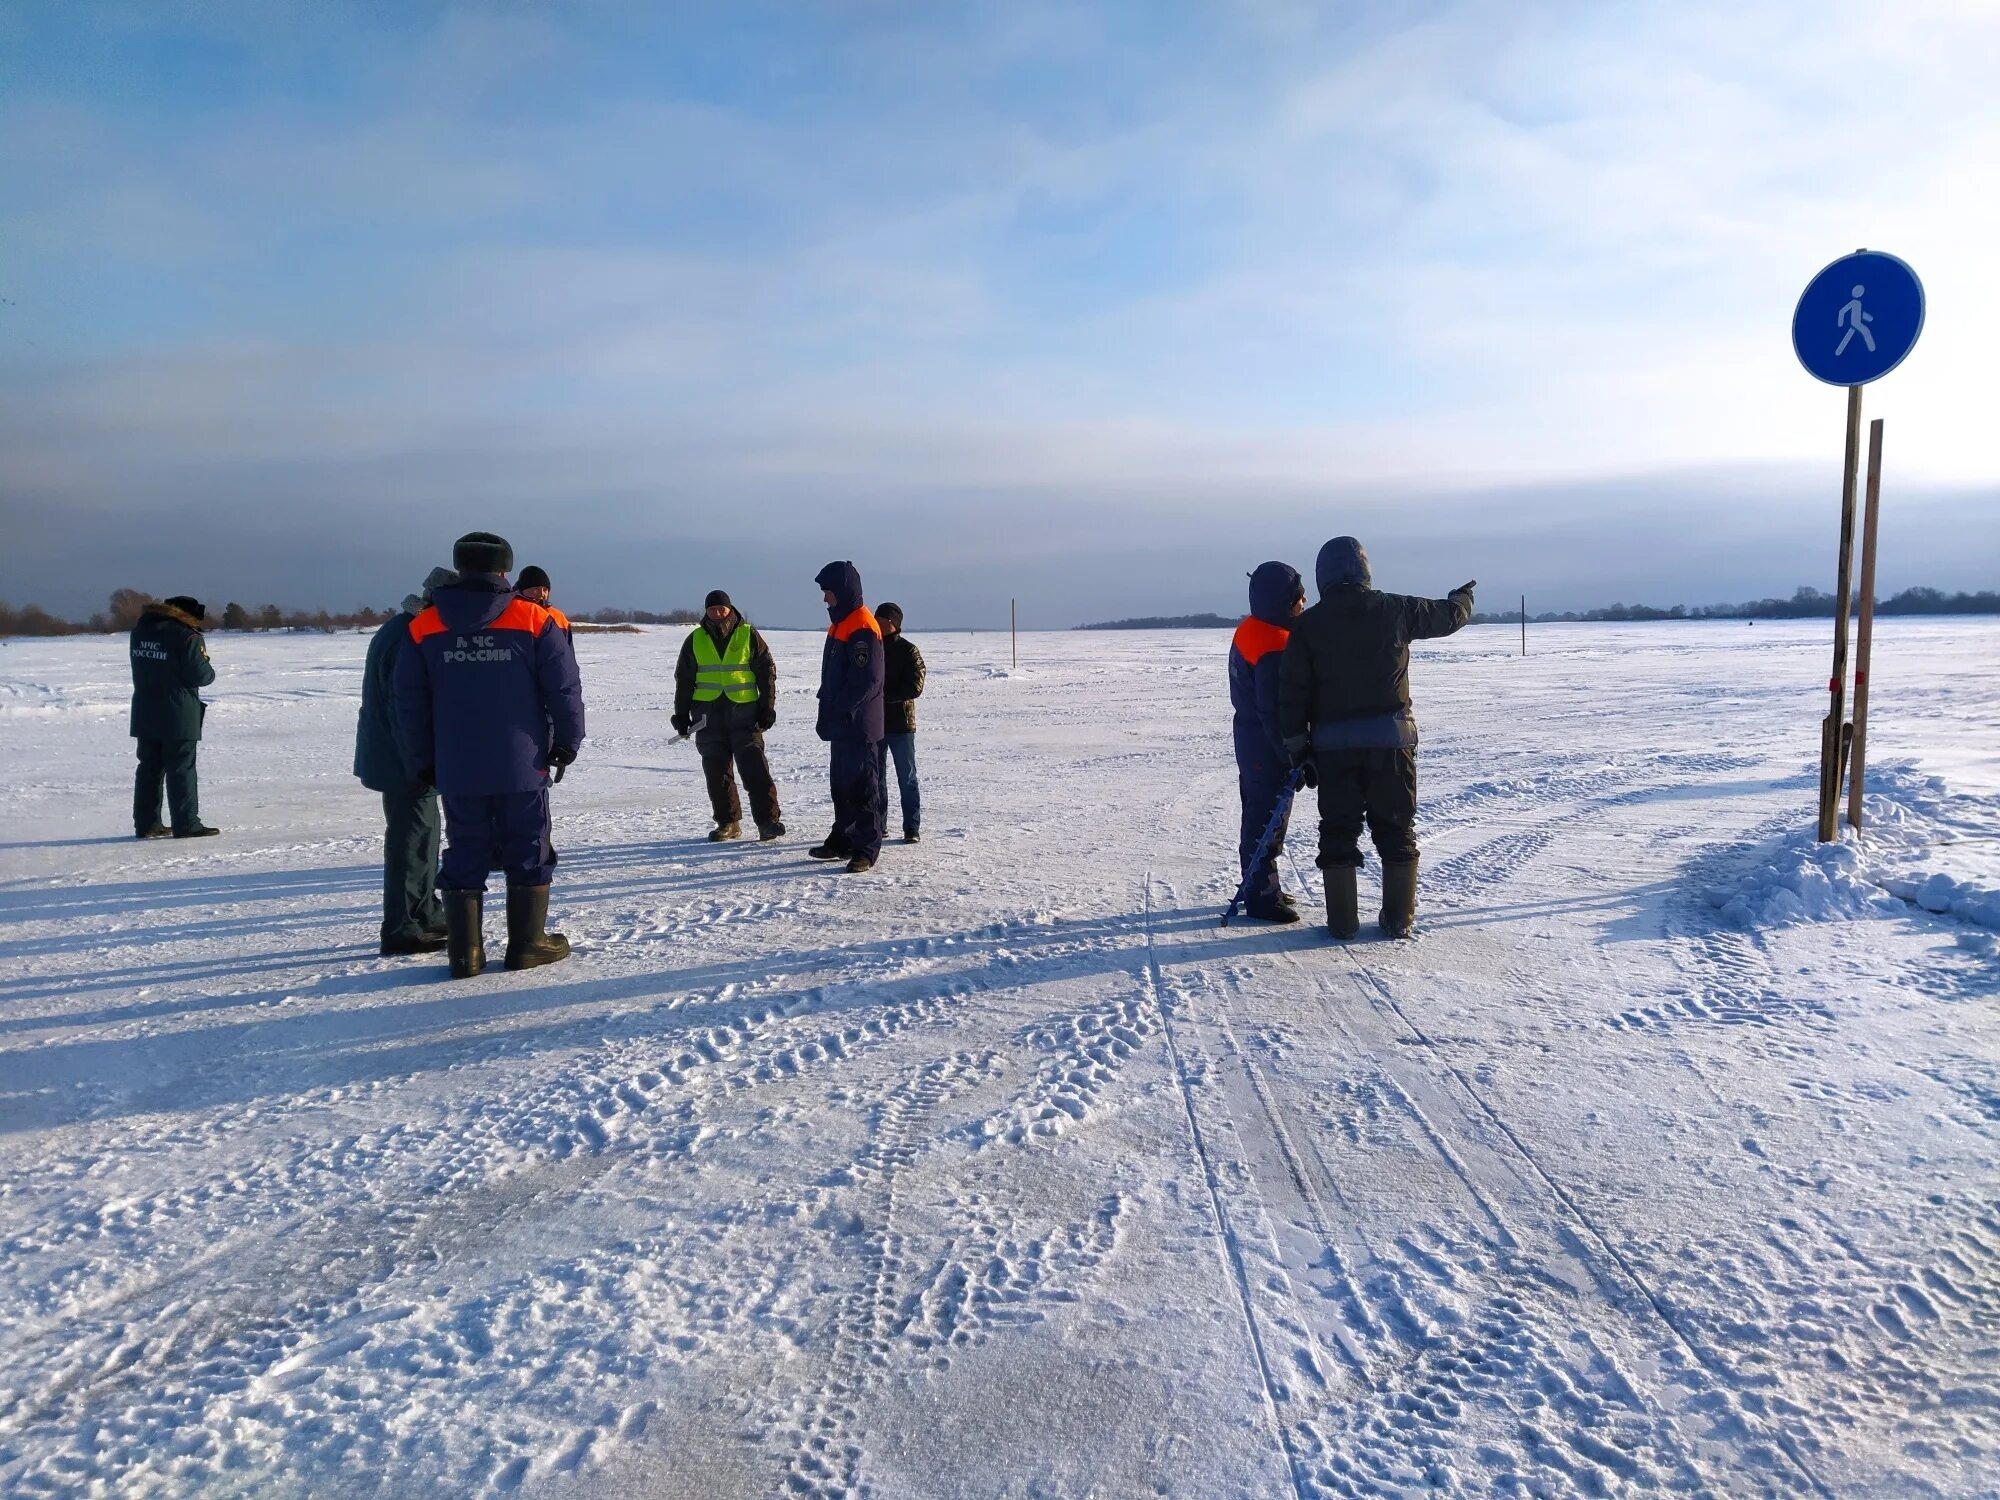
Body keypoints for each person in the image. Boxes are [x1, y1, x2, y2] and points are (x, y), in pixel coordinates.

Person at [394, 531, 585, 977]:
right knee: (528, 846)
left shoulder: (424, 625)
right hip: (523, 762)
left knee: (465, 849)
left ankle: (465, 955)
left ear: (460, 568)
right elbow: (563, 688)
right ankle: (527, 945)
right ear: (505, 570)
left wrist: (424, 759)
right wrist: (567, 742)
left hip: (457, 764)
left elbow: (409, 702)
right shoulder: (535, 620)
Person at [1278, 538, 1473, 939]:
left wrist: (1299, 748)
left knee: (1338, 829)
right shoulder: (1396, 609)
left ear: (1322, 576)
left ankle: (1343, 924)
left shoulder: (1307, 626)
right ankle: (1399, 919)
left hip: (1333, 748)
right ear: (1364, 570)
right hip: (1391, 743)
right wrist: (1463, 598)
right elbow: (1448, 616)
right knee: (1396, 826)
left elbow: (1292, 693)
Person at [355, 567, 455, 955]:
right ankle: (401, 926)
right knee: (410, 842)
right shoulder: (407, 635)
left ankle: (425, 910)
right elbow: (403, 708)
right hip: (402, 761)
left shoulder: (408, 628)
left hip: (403, 758)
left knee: (424, 836)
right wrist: (420, 759)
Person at [673, 589, 785, 842]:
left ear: (730, 608)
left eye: (720, 608)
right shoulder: (695, 639)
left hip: (745, 715)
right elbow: (684, 680)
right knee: (717, 773)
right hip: (707, 718)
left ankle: (768, 822)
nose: (716, 613)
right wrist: (681, 714)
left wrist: (767, 707)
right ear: (706, 611)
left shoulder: (748, 634)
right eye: (711, 609)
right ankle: (728, 823)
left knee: (755, 769)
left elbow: (766, 673)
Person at [1229, 562, 1306, 923]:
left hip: (1250, 738)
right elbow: (1273, 711)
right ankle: (1261, 896)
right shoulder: (1272, 643)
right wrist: (1293, 755)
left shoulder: (1252, 628)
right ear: (1282, 601)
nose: (1304, 602)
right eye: (1297, 597)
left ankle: (1261, 883)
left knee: (1259, 812)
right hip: (1264, 744)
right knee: (1266, 816)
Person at [810, 561, 884, 873]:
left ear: (842, 591)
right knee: (841, 785)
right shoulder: (840, 623)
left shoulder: (862, 625)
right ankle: (842, 839)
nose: (825, 598)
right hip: (842, 724)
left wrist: (838, 706)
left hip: (859, 725)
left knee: (863, 787)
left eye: (828, 592)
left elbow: (868, 680)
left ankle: (866, 848)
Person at [129, 594, 219, 839]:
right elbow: (201, 676)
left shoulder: (140, 631)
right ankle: (187, 823)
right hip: (177, 713)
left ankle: (147, 824)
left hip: (145, 710)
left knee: (149, 768)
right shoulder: (187, 636)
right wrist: (208, 665)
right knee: (181, 768)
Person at [875, 602, 925, 844]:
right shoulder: (872, 648)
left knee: (907, 778)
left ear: (892, 623)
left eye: (881, 619)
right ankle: (878, 825)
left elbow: (915, 686)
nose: (876, 622)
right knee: (876, 778)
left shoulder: (908, 650)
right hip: (875, 724)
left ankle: (911, 828)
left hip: (902, 725)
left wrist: (885, 695)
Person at [514, 565, 572, 637]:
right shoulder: (511, 613)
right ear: (522, 590)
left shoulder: (559, 618)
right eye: (536, 589)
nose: (541, 594)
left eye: (545, 590)